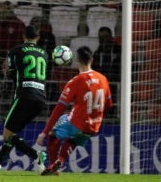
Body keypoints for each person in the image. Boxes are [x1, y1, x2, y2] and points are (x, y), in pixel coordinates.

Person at [36, 46, 113, 176]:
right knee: (73, 139)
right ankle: (60, 161)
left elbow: (59, 109)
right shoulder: (103, 78)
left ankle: (54, 167)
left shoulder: (76, 81)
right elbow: (109, 105)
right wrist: (97, 118)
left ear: (77, 60)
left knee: (53, 132)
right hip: (94, 125)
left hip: (77, 121)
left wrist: (43, 133)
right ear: (92, 59)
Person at [0, 25, 48, 174]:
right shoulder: (44, 54)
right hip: (41, 99)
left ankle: (35, 156)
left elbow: (10, 73)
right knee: (12, 134)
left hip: (25, 95)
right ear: (37, 38)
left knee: (7, 135)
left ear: (23, 36)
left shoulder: (14, 51)